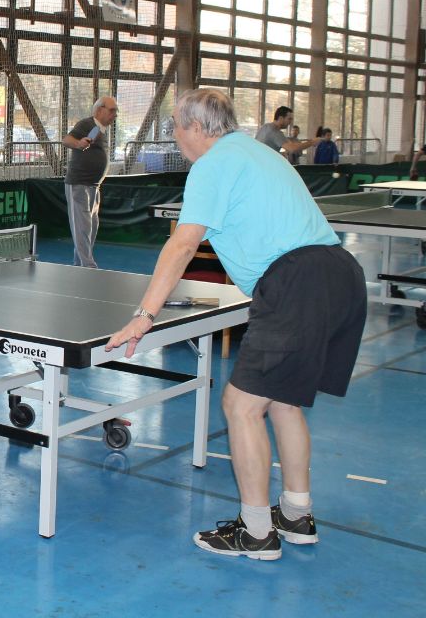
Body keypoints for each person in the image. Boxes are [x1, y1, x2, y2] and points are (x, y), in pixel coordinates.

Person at [107, 89, 366, 562]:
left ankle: (256, 531)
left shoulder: (212, 165)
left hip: (295, 282)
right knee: (282, 402)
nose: (174, 135)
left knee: (241, 405)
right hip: (340, 274)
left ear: (196, 127)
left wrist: (144, 315)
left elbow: (184, 244)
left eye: (175, 125)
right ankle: (296, 514)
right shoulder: (258, 152)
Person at [61, 95, 118, 267]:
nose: (115, 115)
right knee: (82, 227)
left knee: (91, 228)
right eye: (112, 110)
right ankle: (89, 266)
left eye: (116, 111)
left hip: (94, 186)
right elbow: (66, 140)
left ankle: (79, 264)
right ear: (99, 110)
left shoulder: (102, 129)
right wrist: (79, 143)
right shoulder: (86, 124)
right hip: (79, 183)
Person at [254, 106, 319, 161]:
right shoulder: (275, 132)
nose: (290, 122)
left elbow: (289, 144)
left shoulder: (265, 126)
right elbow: (292, 149)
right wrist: (312, 142)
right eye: (289, 119)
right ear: (281, 118)